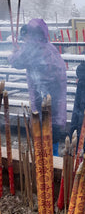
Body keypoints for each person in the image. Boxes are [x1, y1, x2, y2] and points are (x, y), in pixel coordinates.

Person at [8, 18, 67, 156]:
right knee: (53, 142)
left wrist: (14, 52)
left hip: (42, 105)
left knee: (43, 147)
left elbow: (16, 61)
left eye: (27, 35)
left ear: (31, 34)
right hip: (56, 105)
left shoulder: (33, 48)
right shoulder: (49, 47)